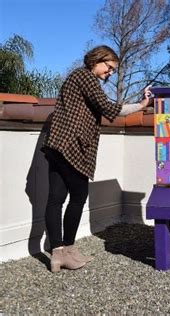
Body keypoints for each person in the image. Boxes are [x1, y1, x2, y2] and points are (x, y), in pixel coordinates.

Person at [42, 45, 151, 273]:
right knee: (79, 195)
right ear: (97, 60)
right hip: (71, 147)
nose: (110, 73)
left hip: (56, 145)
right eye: (108, 67)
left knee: (56, 198)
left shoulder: (76, 78)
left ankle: (59, 253)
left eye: (112, 70)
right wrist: (140, 105)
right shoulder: (85, 76)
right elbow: (108, 107)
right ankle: (67, 249)